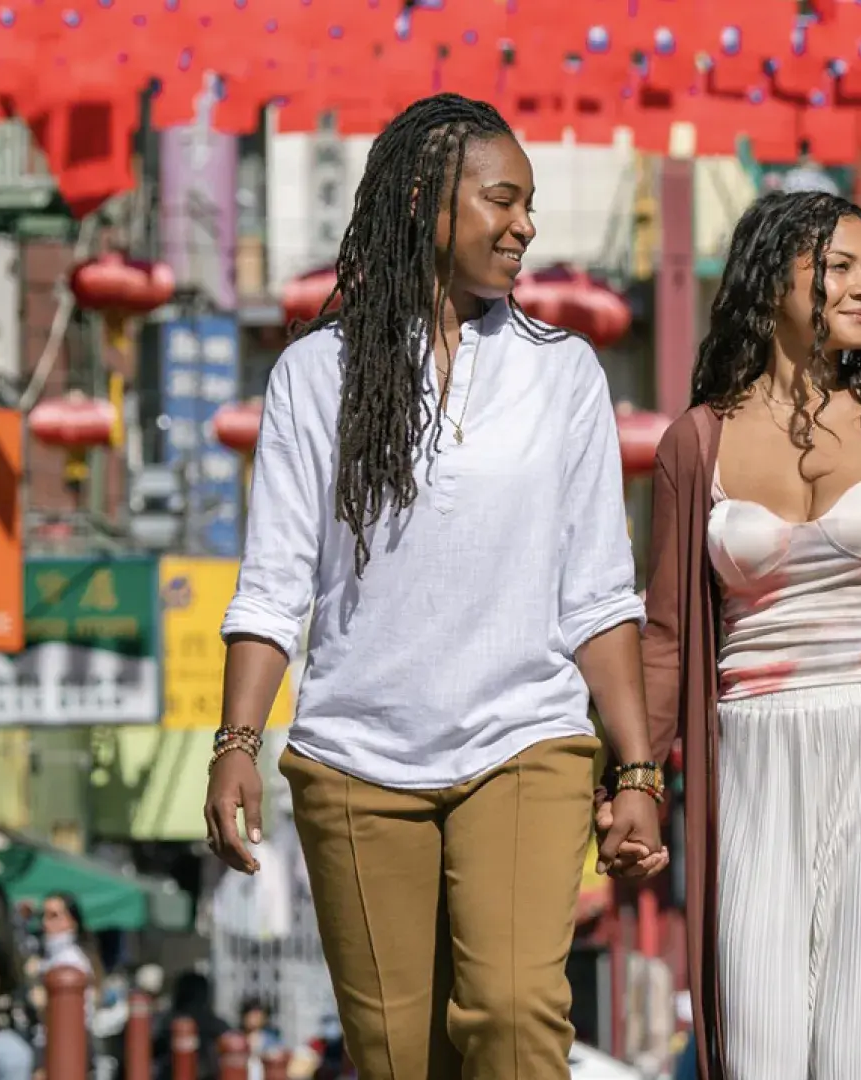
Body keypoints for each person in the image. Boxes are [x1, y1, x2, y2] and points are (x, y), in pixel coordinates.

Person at [205, 91, 667, 1080]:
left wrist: (636, 770)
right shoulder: (313, 375)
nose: (525, 226)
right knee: (397, 1060)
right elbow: (274, 583)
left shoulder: (564, 375)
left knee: (512, 1013)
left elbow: (598, 592)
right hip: (354, 759)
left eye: (530, 204)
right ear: (424, 201)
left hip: (524, 739)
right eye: (503, 200)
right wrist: (236, 743)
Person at [636, 190, 861, 1079]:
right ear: (772, 282)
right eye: (838, 267)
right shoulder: (695, 445)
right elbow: (667, 638)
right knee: (759, 1047)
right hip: (752, 761)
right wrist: (637, 778)